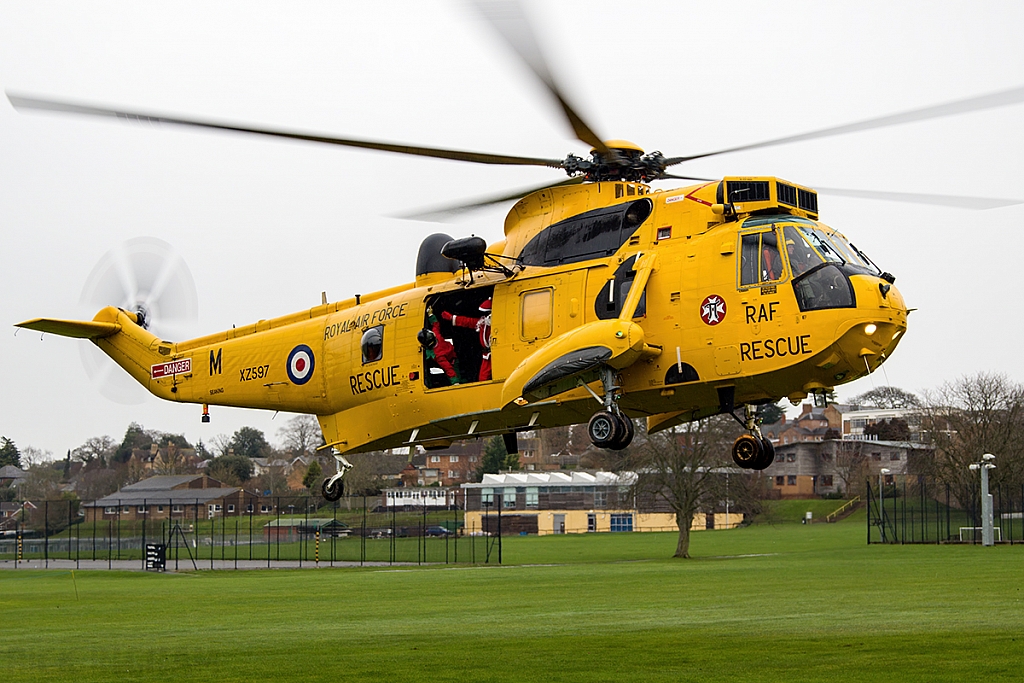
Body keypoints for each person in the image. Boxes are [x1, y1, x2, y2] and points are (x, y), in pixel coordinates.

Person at [441, 298, 492, 381]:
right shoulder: (483, 322)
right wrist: (452, 318)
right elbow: (468, 322)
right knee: (483, 378)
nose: (486, 316)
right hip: (487, 355)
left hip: (495, 353)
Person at [419, 311, 460, 385]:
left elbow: (448, 368)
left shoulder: (437, 355)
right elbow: (435, 324)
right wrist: (431, 314)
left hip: (453, 360)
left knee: (456, 375)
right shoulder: (437, 336)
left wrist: (455, 382)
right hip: (453, 359)